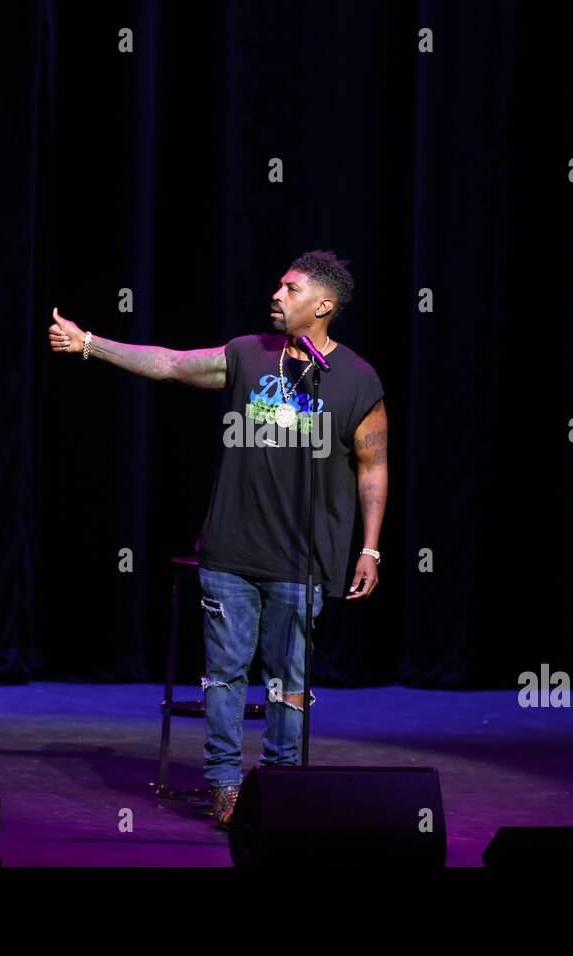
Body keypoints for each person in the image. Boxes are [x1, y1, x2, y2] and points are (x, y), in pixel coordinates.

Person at [49, 250, 387, 829]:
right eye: (278, 285)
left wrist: (370, 547)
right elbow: (171, 363)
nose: (276, 295)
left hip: (304, 558)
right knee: (225, 674)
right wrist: (90, 344)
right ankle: (226, 785)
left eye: (291, 288)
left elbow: (372, 465)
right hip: (231, 550)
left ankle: (282, 783)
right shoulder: (246, 354)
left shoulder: (356, 378)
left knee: (289, 682)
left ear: (323, 306)